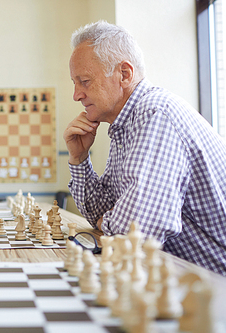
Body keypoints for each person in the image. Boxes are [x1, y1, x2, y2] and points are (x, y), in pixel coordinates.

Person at [63, 21, 226, 275]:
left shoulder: (154, 115)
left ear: (125, 75)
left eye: (84, 81)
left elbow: (133, 233)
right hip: (180, 281)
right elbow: (100, 211)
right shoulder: (124, 125)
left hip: (212, 292)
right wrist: (79, 157)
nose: (76, 95)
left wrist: (111, 220)